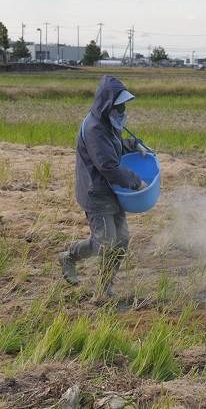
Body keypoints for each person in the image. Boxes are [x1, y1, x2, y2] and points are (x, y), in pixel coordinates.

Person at [58, 75, 150, 298]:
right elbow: (108, 165)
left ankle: (105, 287)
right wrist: (136, 181)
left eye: (124, 106)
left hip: (113, 190)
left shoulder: (109, 122)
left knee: (121, 240)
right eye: (119, 106)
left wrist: (133, 145)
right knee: (105, 242)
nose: (123, 110)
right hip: (96, 191)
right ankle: (69, 256)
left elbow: (114, 148)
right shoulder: (94, 129)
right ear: (107, 104)